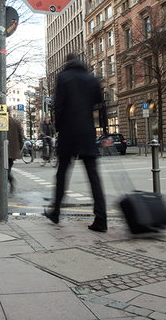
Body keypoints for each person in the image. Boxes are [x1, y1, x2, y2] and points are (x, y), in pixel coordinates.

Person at [44, 53, 108, 232]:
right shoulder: (91, 79)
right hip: (87, 132)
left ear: (67, 62)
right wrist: (105, 132)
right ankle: (101, 219)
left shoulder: (63, 77)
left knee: (62, 173)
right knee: (93, 177)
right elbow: (102, 105)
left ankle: (56, 211)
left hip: (68, 133)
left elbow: (59, 106)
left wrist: (58, 129)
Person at [0, 113, 23, 193]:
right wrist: (19, 148)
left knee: (3, 168)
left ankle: (10, 180)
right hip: (13, 150)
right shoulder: (16, 123)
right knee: (8, 166)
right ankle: (8, 181)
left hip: (1, 149)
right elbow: (21, 136)